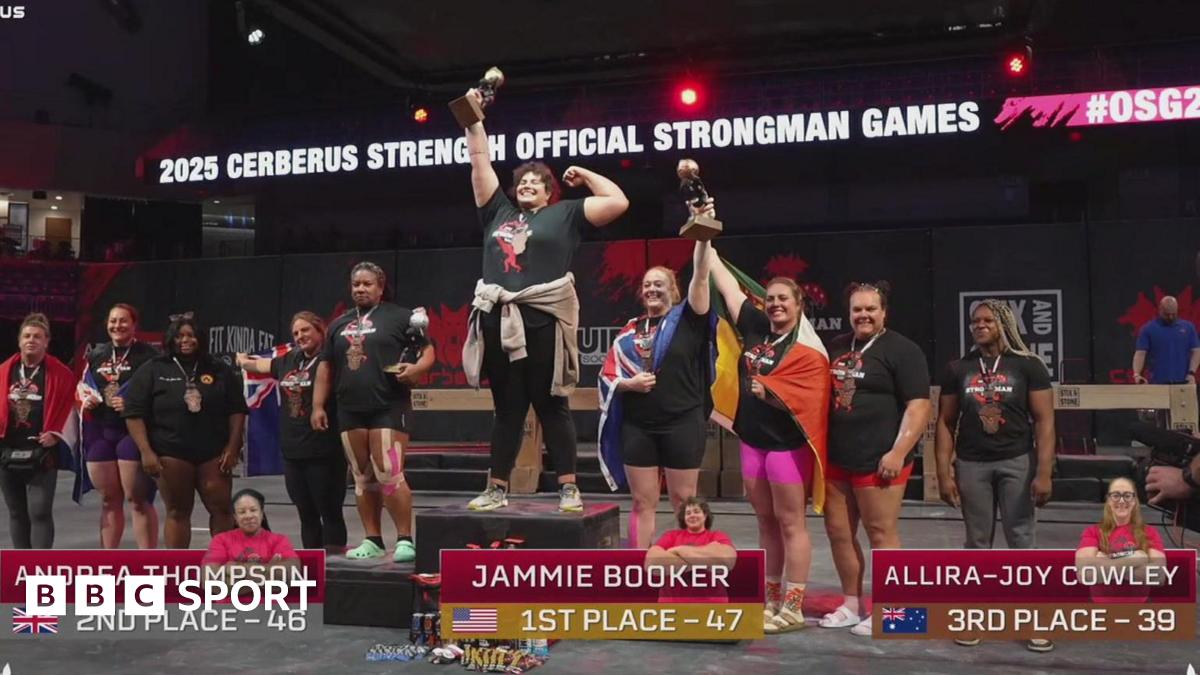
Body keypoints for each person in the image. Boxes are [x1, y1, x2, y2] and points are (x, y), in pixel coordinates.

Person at [460, 86, 629, 513]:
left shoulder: (566, 213)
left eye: (536, 182)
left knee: (552, 404)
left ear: (550, 191)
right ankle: (496, 488)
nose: (527, 185)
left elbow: (617, 201)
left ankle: (568, 488)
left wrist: (584, 174)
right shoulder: (497, 212)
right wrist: (473, 117)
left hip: (544, 319)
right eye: (522, 181)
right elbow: (479, 158)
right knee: (507, 410)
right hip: (500, 320)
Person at [708, 235, 831, 634]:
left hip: (786, 447)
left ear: (799, 305)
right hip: (752, 441)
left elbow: (812, 402)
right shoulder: (756, 327)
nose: (776, 304)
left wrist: (774, 397)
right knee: (764, 522)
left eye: (784, 299)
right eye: (771, 299)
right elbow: (727, 285)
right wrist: (704, 240)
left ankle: (793, 607)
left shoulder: (807, 350)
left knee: (791, 523)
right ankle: (770, 598)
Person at [935, 299, 1055, 652]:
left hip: (1017, 461)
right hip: (972, 464)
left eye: (988, 320)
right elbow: (945, 422)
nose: (980, 325)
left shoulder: (1028, 365)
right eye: (975, 321)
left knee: (1022, 539)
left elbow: (1045, 421)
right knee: (976, 543)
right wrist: (943, 472)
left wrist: (1044, 472)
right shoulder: (959, 368)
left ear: (1004, 323)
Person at [820, 282, 931, 637]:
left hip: (881, 459)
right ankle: (852, 605)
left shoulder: (903, 350)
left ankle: (895, 613)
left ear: (884, 312)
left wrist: (898, 451)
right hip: (838, 458)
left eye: (871, 309)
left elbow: (919, 406)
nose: (863, 315)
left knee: (881, 533)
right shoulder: (836, 346)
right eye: (857, 309)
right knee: (839, 533)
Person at [311, 262, 435, 562]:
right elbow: (326, 367)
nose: (360, 289)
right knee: (362, 476)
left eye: (367, 284)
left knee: (389, 472)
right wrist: (317, 405)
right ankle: (373, 539)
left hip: (388, 405)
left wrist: (417, 369)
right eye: (356, 284)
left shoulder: (400, 317)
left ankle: (405, 539)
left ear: (380, 287)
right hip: (349, 409)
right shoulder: (338, 324)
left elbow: (427, 351)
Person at [598, 234, 715, 548]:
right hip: (638, 426)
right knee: (641, 502)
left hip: (682, 422)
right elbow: (608, 376)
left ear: (674, 290)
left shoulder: (689, 320)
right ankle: (640, 568)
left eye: (659, 284)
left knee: (684, 500)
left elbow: (701, 275)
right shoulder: (628, 332)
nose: (651, 289)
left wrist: (703, 238)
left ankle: (688, 567)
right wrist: (630, 384)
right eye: (647, 284)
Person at [123, 315, 247, 549]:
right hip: (171, 452)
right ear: (171, 339)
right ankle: (177, 566)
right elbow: (134, 413)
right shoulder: (154, 368)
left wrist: (233, 447)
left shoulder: (218, 368)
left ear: (200, 338)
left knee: (222, 508)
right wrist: (146, 452)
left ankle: (222, 563)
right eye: (179, 336)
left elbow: (237, 410)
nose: (185, 340)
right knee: (178, 511)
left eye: (191, 335)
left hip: (214, 453)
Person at [238, 311, 348, 552]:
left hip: (324, 450)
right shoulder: (289, 359)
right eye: (296, 333)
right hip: (293, 452)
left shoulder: (332, 361)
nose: (300, 336)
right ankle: (312, 564)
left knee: (330, 512)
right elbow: (259, 365)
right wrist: (243, 361)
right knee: (306, 514)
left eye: (305, 330)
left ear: (320, 329)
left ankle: (334, 566)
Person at [80, 303, 160, 549]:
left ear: (134, 324)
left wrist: (133, 404)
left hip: (133, 433)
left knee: (137, 500)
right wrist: (86, 398)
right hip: (101, 432)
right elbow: (84, 385)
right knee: (108, 500)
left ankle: (148, 563)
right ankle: (109, 561)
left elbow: (160, 394)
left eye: (123, 320)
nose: (117, 325)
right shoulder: (96, 354)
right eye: (113, 321)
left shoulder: (149, 356)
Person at [0, 313, 75, 548]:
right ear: (19, 340)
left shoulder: (62, 374)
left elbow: (70, 409)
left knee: (40, 512)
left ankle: (39, 565)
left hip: (42, 451)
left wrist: (56, 433)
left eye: (37, 336)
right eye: (27, 336)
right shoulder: (3, 371)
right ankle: (21, 565)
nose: (31, 340)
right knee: (16, 512)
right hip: (7, 450)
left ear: (46, 342)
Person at [1076, 477, 1167, 603]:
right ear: (1108, 500)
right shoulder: (1093, 532)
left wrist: (1104, 561)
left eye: (1127, 496)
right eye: (1116, 495)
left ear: (1134, 501)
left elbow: (1158, 576)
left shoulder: (1149, 532)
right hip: (1099, 607)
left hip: (1139, 608)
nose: (1122, 500)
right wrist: (1135, 558)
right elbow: (1084, 575)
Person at [645, 497, 736, 603]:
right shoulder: (671, 536)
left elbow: (727, 561)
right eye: (688, 513)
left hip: (711, 603)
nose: (692, 515)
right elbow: (651, 563)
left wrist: (678, 551)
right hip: (672, 603)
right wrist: (705, 558)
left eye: (696, 511)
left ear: (705, 515)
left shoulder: (718, 536)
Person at [203, 488, 299, 572]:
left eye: (253, 510)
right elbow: (208, 574)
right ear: (235, 517)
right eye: (242, 512)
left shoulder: (279, 540)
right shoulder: (220, 540)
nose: (248, 516)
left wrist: (236, 568)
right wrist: (270, 568)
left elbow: (293, 570)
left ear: (262, 514)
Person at [1132, 296, 1199, 384]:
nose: (1170, 317)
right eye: (1167, 314)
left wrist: (1191, 373)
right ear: (1160, 310)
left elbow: (1196, 351)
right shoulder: (1148, 329)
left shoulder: (1188, 327)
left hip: (1183, 381)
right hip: (1157, 382)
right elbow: (1140, 353)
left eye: (1173, 314)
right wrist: (1137, 374)